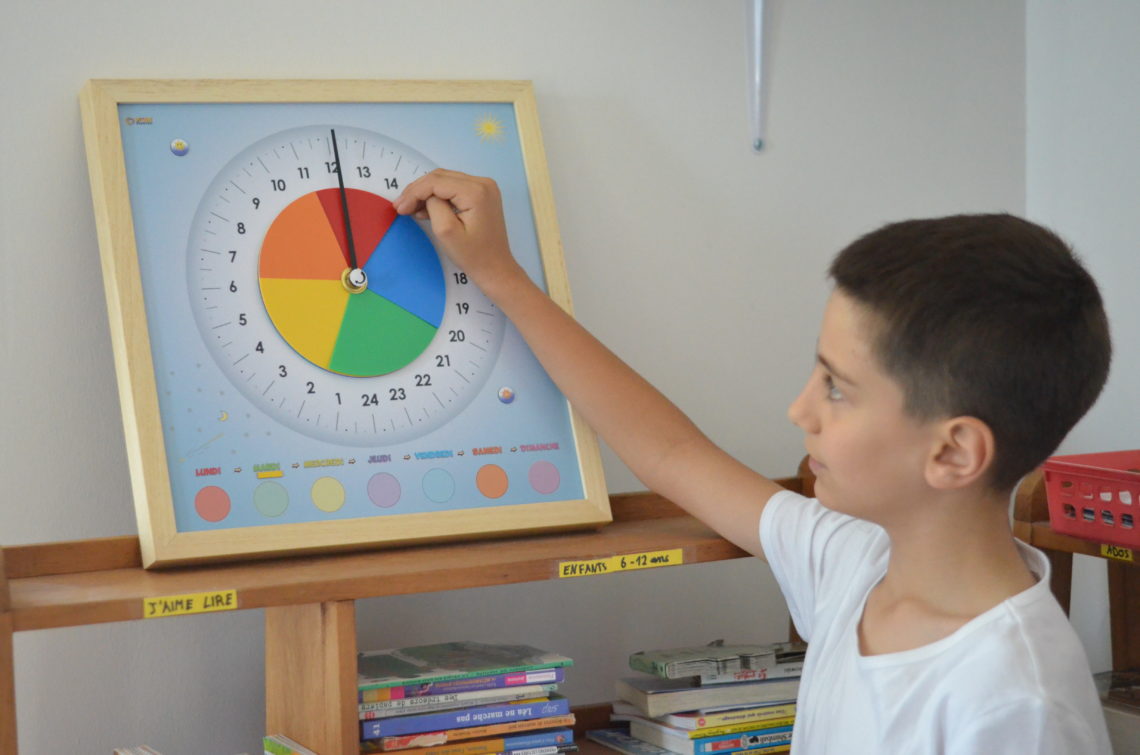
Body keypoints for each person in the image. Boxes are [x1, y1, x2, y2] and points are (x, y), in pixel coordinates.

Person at [393, 170, 1113, 753]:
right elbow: (672, 453)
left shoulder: (1017, 704)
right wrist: (502, 278)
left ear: (953, 451)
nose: (800, 410)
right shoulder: (856, 563)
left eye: (837, 387)